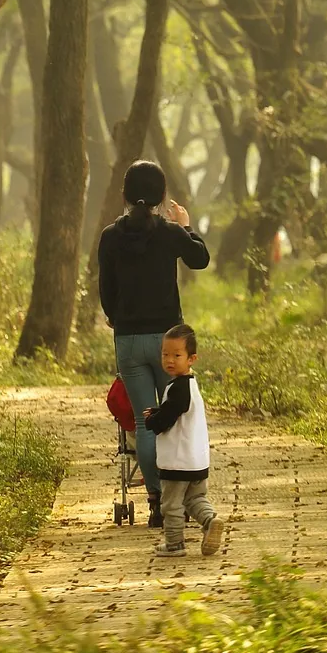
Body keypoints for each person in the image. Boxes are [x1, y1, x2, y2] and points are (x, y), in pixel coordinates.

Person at [98, 158, 210, 528]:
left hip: (128, 341)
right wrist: (186, 226)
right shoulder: (168, 232)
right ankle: (185, 499)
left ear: (125, 195)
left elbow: (106, 292)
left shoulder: (110, 236)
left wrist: (118, 319)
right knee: (173, 420)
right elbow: (200, 259)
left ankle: (157, 502)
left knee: (147, 424)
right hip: (168, 343)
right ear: (162, 196)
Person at [144, 322, 223, 557]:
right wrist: (158, 411)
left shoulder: (178, 388)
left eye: (177, 355)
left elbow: (168, 417)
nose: (169, 360)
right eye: (165, 354)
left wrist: (153, 421)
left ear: (192, 359)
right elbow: (175, 411)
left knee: (171, 505)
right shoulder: (189, 385)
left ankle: (175, 544)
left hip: (177, 461)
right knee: (195, 498)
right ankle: (210, 521)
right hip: (196, 460)